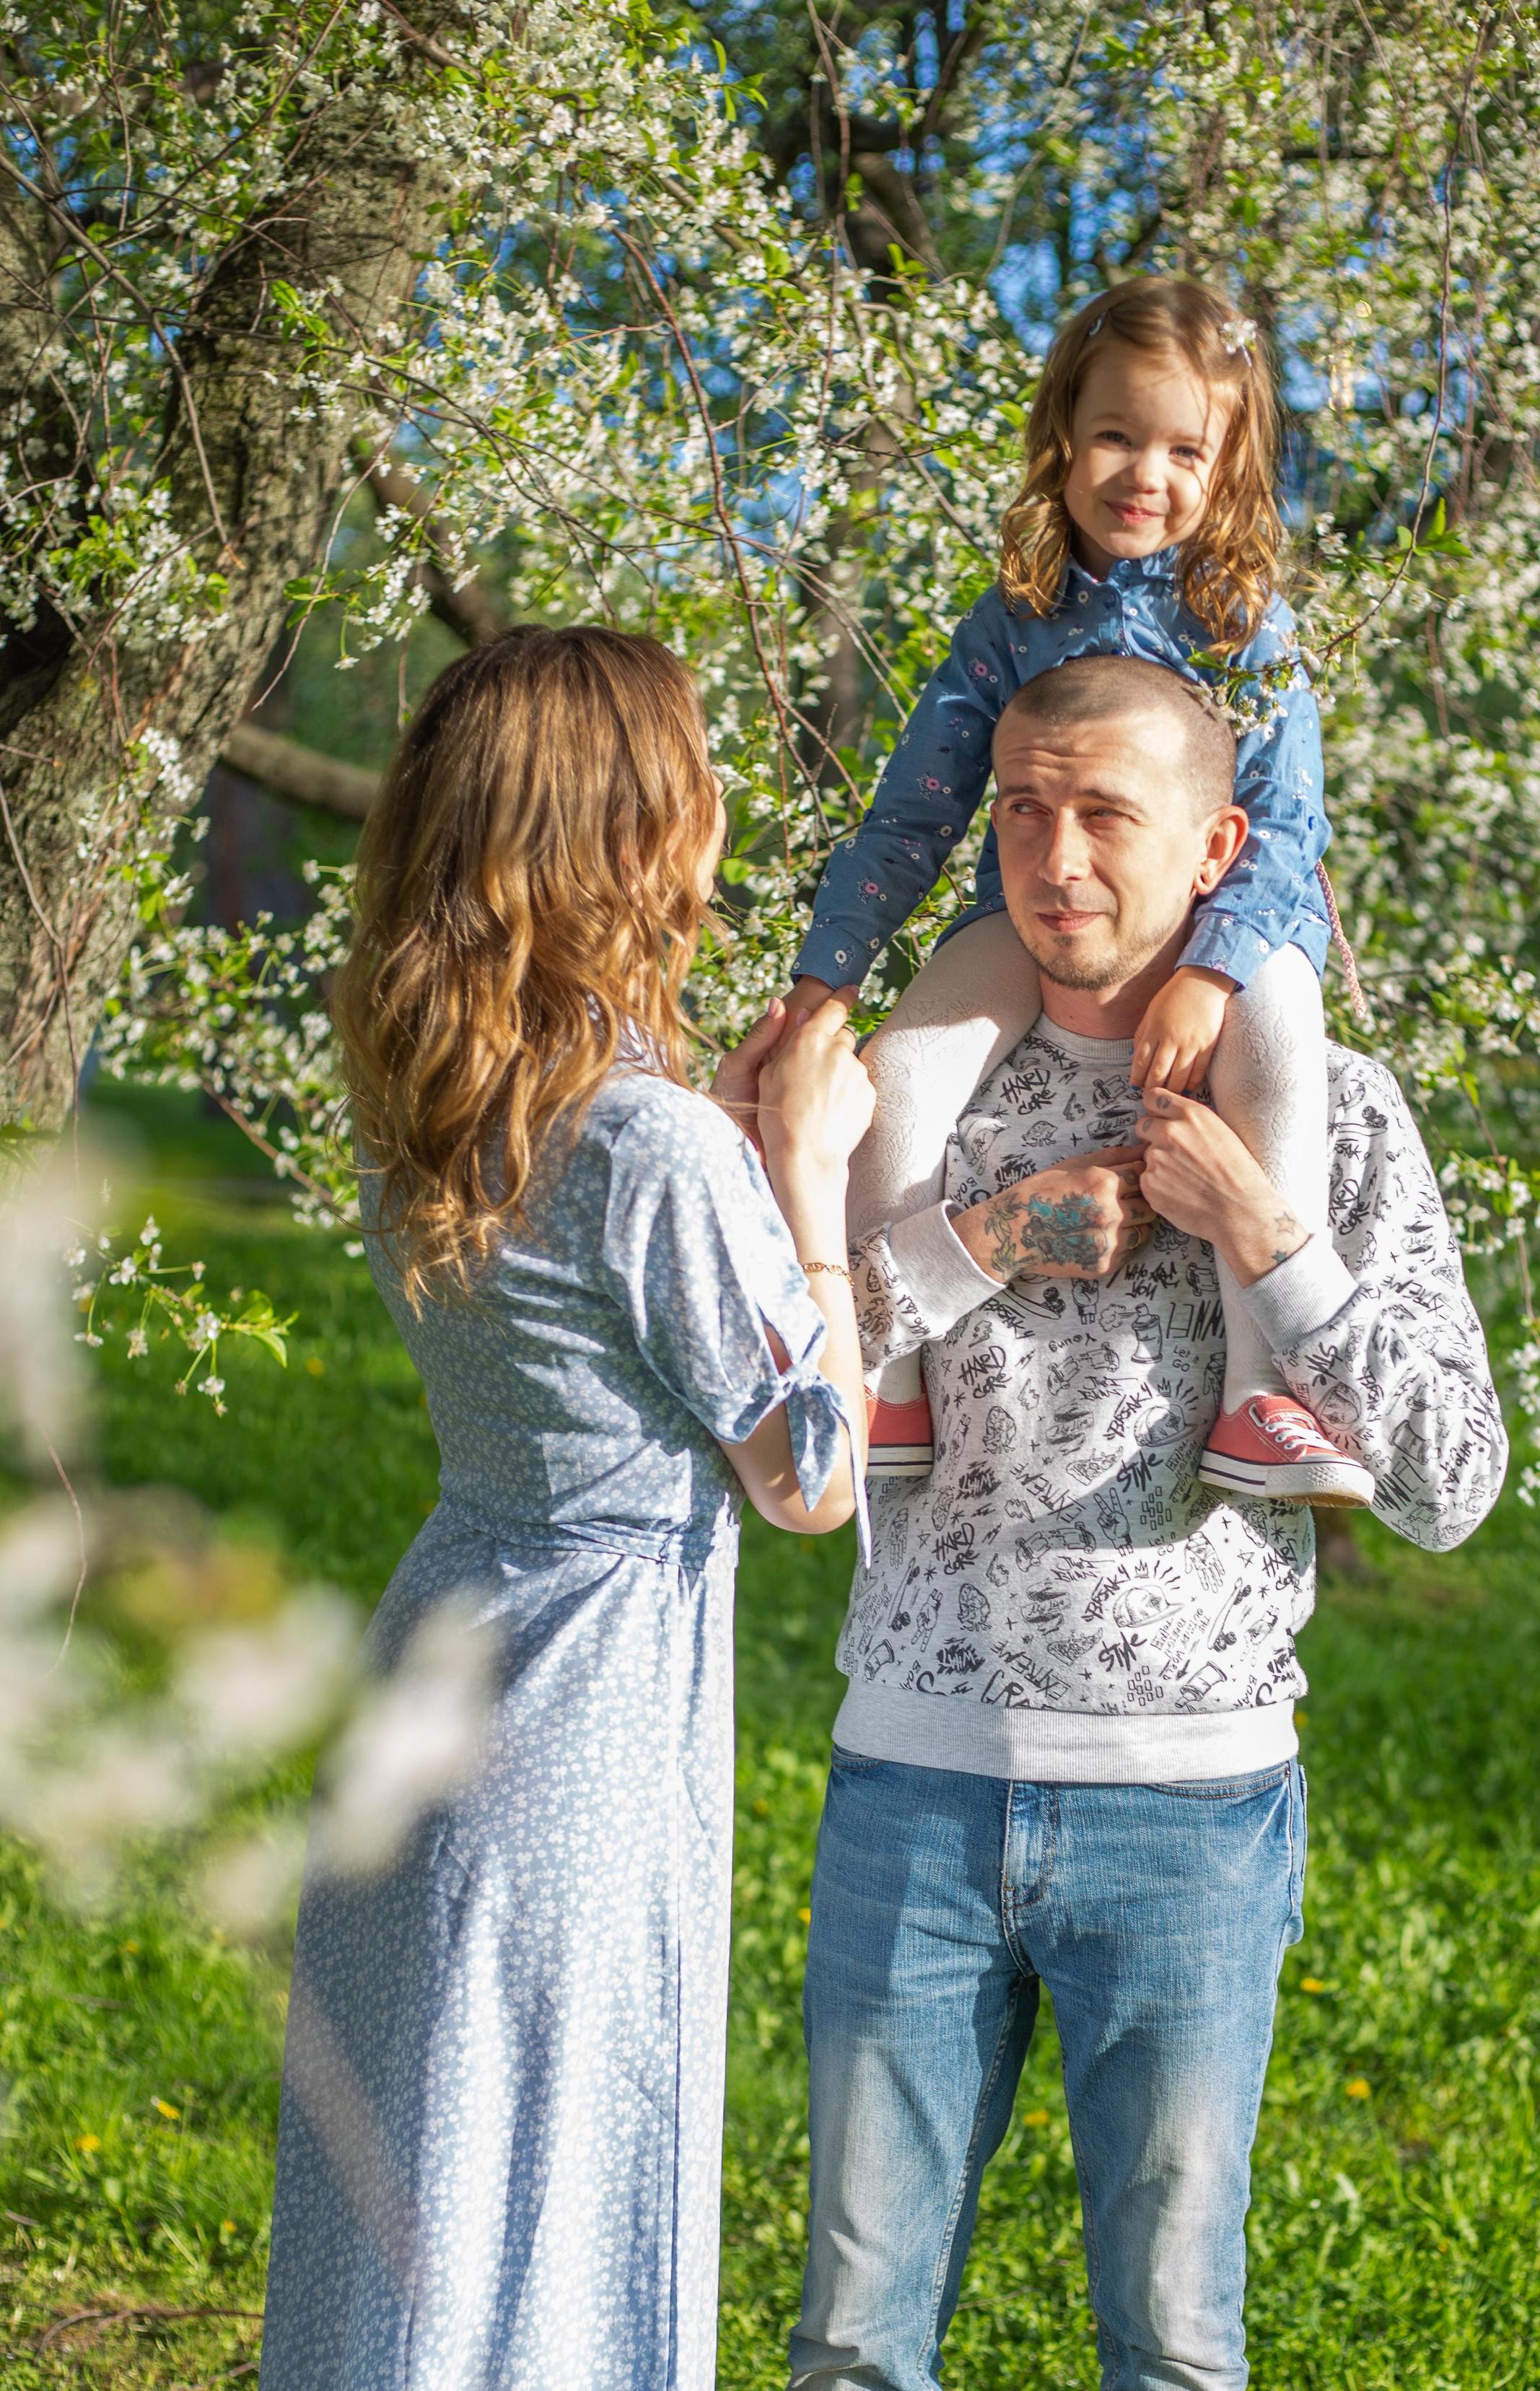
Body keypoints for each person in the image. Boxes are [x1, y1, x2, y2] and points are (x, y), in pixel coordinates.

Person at [789, 656, 1508, 2391]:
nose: (1056, 858)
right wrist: (980, 1240)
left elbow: (1452, 1477)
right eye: (1023, 810)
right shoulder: (912, 1093)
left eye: (1106, 812)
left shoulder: (1324, 1110)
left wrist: (1274, 1240)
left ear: (1216, 845)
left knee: (1174, 2351)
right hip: (914, 1778)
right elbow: (783, 1390)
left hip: (1187, 1802)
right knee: (851, 2346)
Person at [261, 627, 872, 2391]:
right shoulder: (652, 1149)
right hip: (578, 1734)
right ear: (618, 836)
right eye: (689, 782)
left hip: (436, 1668)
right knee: (551, 2217)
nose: (719, 814)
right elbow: (808, 1471)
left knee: (418, 2212)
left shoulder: (436, 1107)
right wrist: (808, 1185)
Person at [785, 274, 1364, 1506]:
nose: (1143, 475)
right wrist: (823, 980)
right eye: (1114, 436)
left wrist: (1209, 974)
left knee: (1279, 1048)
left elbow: (1289, 818)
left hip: (1231, 913)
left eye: (1182, 449)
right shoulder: (1016, 618)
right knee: (912, 1071)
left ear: (1230, 465)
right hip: (1034, 911)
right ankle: (892, 1373)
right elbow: (917, 809)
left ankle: (1268, 1391)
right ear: (1062, 435)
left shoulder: (1241, 622)